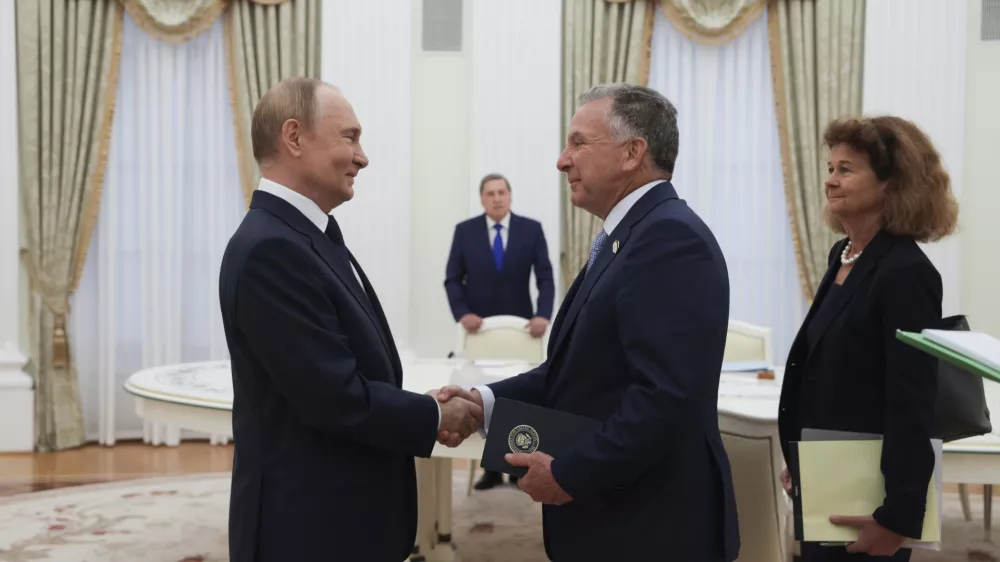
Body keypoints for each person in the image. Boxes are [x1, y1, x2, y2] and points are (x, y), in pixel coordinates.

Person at [436, 83, 740, 561]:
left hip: (652, 528)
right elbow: (577, 368)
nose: (562, 160)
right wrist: (484, 403)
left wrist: (570, 474)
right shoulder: (630, 238)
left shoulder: (670, 241)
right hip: (620, 519)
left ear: (632, 152)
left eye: (578, 142)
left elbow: (665, 398)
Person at [218, 77, 483, 562]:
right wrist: (433, 414)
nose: (363, 157)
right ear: (294, 138)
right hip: (307, 531)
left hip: (338, 521)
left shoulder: (306, 235)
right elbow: (333, 399)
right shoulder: (271, 249)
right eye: (350, 137)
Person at [777, 115, 958, 561]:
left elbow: (911, 400)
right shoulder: (843, 255)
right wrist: (803, 455)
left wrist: (898, 516)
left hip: (870, 498)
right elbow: (829, 374)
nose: (830, 181)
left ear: (891, 185)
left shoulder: (907, 273)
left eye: (846, 170)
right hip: (828, 479)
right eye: (830, 168)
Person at [444, 173, 555, 490]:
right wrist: (462, 313)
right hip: (479, 335)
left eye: (501, 192)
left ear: (510, 196)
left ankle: (518, 467)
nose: (496, 198)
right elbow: (453, 279)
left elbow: (545, 277)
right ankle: (491, 469)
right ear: (482, 199)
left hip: (522, 333)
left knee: (518, 397)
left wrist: (543, 315)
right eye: (490, 193)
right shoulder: (464, 232)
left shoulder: (531, 230)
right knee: (481, 396)